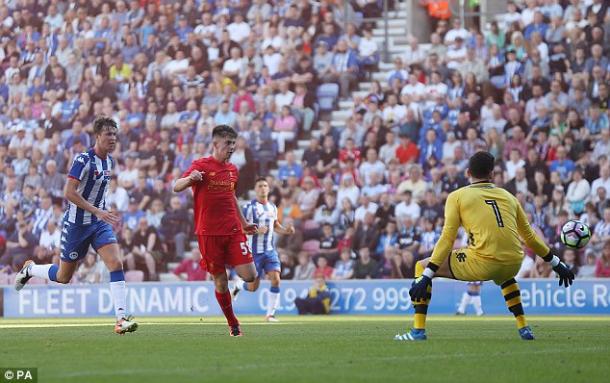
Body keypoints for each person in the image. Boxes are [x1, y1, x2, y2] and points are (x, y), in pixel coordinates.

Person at [396, 151, 574, 341]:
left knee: (421, 266)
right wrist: (556, 263)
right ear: (492, 174)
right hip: (514, 262)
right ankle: (524, 327)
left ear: (467, 173)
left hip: (483, 262)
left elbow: (447, 238)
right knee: (505, 275)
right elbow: (529, 237)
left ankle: (417, 331)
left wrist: (427, 275)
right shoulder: (509, 196)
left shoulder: (457, 196)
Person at [14, 117, 138, 335]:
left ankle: (121, 319)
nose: (113, 138)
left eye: (115, 134)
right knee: (63, 277)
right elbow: (69, 192)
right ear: (97, 136)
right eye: (108, 134)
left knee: (115, 263)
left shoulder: (110, 161)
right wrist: (97, 210)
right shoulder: (83, 160)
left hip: (99, 224)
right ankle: (30, 269)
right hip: (77, 225)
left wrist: (101, 211)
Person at [173, 125, 258, 337]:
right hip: (208, 233)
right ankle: (233, 323)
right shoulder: (201, 165)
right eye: (227, 143)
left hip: (232, 230)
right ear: (215, 144)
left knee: (250, 276)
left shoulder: (232, 170)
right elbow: (176, 186)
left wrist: (244, 222)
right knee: (220, 281)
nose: (231, 147)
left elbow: (231, 196)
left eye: (233, 143)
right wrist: (191, 179)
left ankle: (236, 290)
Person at [231, 177, 296, 322]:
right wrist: (255, 231)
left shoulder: (272, 207)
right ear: (255, 189)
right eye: (260, 186)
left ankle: (270, 315)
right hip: (254, 252)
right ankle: (239, 285)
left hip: (269, 251)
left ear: (269, 189)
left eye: (265, 185)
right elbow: (240, 229)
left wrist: (287, 231)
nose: (263, 188)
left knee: (276, 279)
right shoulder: (248, 208)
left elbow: (275, 225)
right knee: (253, 287)